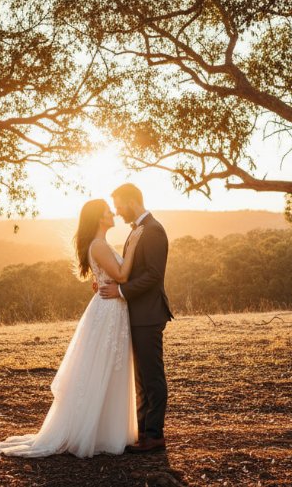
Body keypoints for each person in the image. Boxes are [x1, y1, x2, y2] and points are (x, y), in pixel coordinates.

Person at [0, 198, 144, 458]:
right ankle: (92, 431)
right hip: (108, 311)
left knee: (109, 367)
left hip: (112, 309)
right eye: (109, 211)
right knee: (103, 366)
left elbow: (111, 275)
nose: (113, 214)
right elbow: (121, 276)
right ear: (99, 217)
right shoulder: (98, 245)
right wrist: (134, 246)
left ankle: (106, 430)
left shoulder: (100, 244)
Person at [98, 183, 173, 453]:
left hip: (149, 315)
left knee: (152, 377)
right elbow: (128, 270)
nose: (117, 211)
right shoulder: (138, 231)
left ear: (131, 201)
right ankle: (143, 433)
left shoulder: (153, 231)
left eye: (118, 204)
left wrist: (119, 290)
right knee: (141, 378)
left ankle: (154, 435)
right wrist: (106, 281)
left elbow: (153, 275)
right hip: (136, 313)